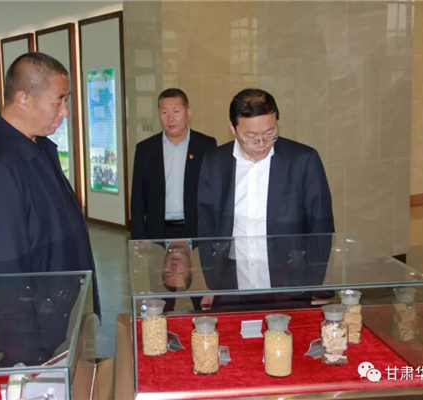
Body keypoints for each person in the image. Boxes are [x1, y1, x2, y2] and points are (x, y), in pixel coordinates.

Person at [0, 52, 100, 318]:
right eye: (58, 101)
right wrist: (23, 341)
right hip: (38, 326)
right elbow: (4, 272)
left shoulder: (40, 148)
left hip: (63, 312)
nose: (65, 111)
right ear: (23, 99)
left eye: (66, 100)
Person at [197, 88, 334, 310]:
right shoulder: (215, 162)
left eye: (270, 133)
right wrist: (213, 280)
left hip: (288, 283)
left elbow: (321, 226)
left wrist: (313, 284)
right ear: (232, 128)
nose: (261, 142)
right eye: (251, 136)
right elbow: (206, 223)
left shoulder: (303, 160)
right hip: (232, 281)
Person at [130, 88, 216, 241]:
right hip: (157, 232)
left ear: (188, 113)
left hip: (196, 231)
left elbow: (214, 193)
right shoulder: (146, 149)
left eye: (176, 111)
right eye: (164, 112)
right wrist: (139, 239)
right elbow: (138, 199)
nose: (170, 118)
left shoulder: (206, 146)